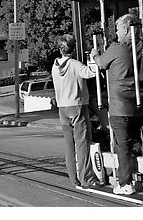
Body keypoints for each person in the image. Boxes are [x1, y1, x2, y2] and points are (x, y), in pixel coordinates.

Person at [90, 13, 143, 195]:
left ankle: (125, 182)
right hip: (141, 103)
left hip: (120, 106)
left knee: (123, 145)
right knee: (141, 139)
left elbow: (100, 63)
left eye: (118, 29)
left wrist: (95, 54)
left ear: (127, 29)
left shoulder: (116, 48)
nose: (116, 33)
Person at [51, 34, 101, 189]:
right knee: (82, 142)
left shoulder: (55, 66)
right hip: (77, 106)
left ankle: (74, 178)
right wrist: (95, 56)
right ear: (73, 48)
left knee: (69, 145)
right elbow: (92, 72)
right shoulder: (74, 64)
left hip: (62, 108)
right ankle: (86, 178)